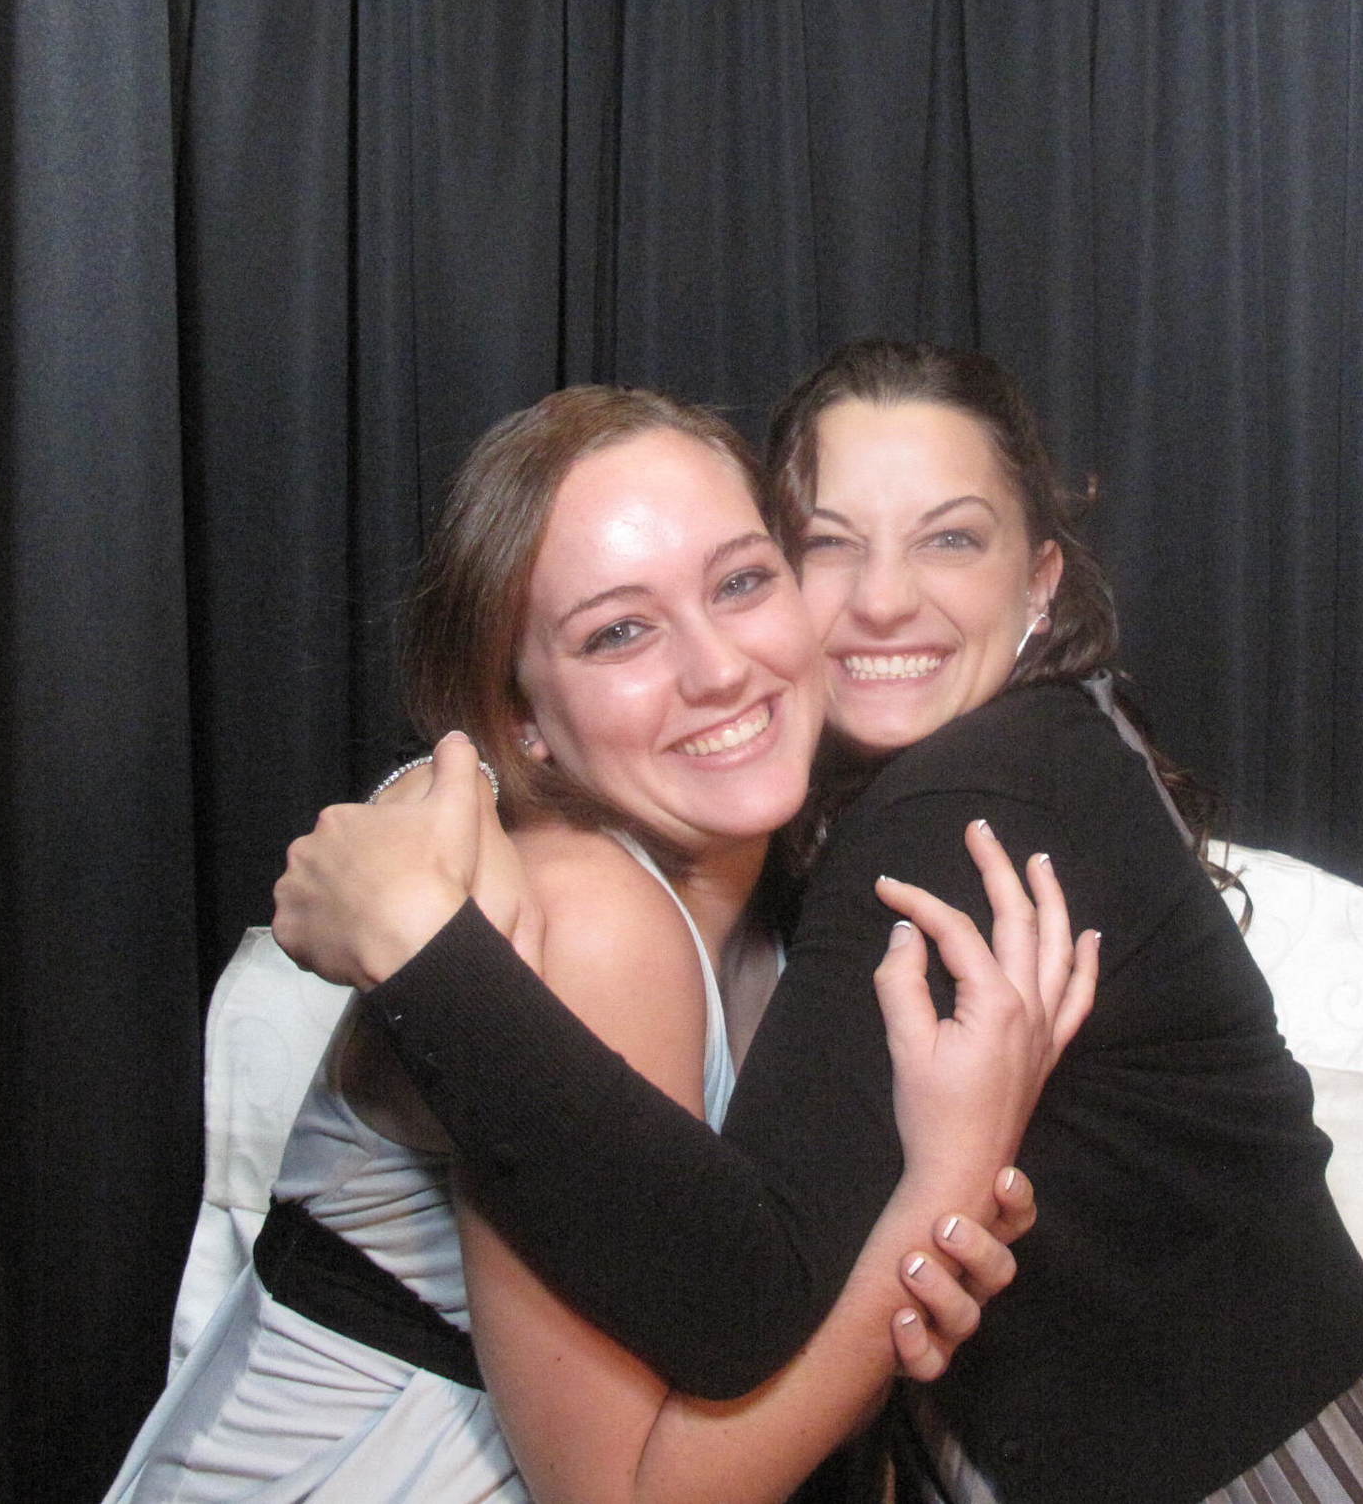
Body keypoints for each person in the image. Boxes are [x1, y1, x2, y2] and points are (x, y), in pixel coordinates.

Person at [279, 342, 1363, 1504]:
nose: (881, 603)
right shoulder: (861, 798)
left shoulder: (967, 802)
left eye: (950, 542)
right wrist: (445, 797)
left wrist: (420, 948)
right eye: (824, 547)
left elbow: (742, 1307)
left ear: (1039, 582)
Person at [108, 385, 1092, 1504]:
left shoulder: (786, 915)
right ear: (521, 715)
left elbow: (756, 1348)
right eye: (619, 631)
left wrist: (904, 1266)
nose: (717, 668)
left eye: (741, 582)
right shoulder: (588, 915)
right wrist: (945, 1186)